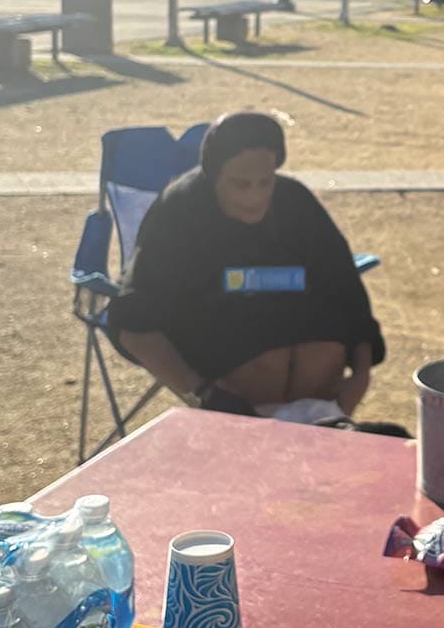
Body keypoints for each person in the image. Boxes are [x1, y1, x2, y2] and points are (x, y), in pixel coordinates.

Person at [106, 111, 388, 425]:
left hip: (320, 402)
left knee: (322, 353)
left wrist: (361, 375)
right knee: (263, 365)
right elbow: (134, 325)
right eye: (240, 184)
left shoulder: (295, 201)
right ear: (213, 175)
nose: (255, 197)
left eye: (265, 182)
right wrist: (202, 394)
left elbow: (347, 290)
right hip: (232, 395)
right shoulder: (180, 212)